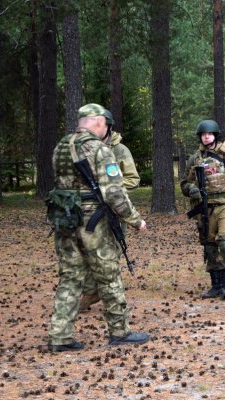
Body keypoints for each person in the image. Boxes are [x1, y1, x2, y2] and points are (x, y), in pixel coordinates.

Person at [46, 103, 149, 352]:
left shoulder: (61, 146)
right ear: (99, 122)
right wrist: (135, 219)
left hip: (66, 220)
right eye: (105, 123)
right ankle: (119, 332)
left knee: (70, 277)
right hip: (94, 223)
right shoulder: (99, 149)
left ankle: (60, 336)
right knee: (109, 275)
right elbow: (114, 193)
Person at [79, 128, 141, 310]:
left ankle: (114, 302)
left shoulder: (119, 150)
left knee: (111, 256)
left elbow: (133, 179)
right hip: (88, 211)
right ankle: (91, 292)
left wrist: (109, 188)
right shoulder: (84, 149)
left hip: (113, 210)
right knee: (88, 253)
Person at [180, 120, 225, 299]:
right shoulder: (194, 159)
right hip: (204, 207)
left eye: (210, 134)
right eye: (204, 134)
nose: (206, 137)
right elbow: (185, 183)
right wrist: (191, 189)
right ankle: (216, 286)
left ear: (215, 135)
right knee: (210, 246)